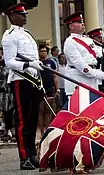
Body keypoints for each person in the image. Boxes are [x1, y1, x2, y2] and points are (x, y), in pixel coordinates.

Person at [1, 2, 43, 170]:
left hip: (32, 81)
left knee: (32, 120)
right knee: (22, 121)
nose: (25, 16)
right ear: (12, 16)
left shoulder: (26, 34)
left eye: (25, 13)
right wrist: (29, 65)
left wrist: (35, 66)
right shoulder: (9, 35)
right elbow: (9, 62)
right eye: (21, 14)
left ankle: (32, 155)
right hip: (20, 81)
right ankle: (24, 157)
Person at [63, 11, 104, 97]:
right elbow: (80, 65)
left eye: (83, 21)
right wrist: (98, 74)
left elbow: (98, 57)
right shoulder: (70, 42)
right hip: (79, 80)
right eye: (79, 22)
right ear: (71, 26)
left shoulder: (88, 40)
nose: (83, 24)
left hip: (92, 80)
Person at [38, 44, 59, 138]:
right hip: (40, 89)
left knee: (49, 111)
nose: (43, 52)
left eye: (45, 51)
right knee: (41, 111)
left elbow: (55, 76)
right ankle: (41, 132)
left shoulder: (51, 62)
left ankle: (48, 132)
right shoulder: (37, 62)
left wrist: (57, 88)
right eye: (41, 51)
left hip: (50, 89)